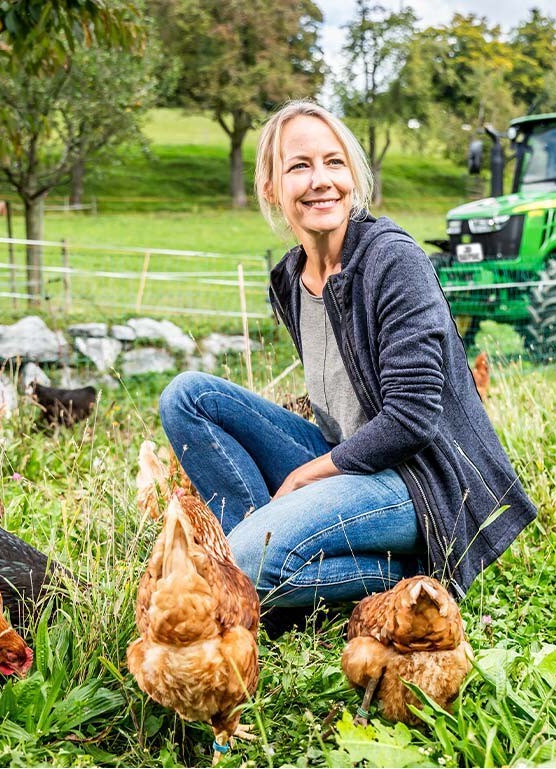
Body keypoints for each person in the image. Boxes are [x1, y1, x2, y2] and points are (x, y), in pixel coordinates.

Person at [159, 100, 536, 613]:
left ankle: (419, 571)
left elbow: (413, 419)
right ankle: (261, 553)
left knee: (246, 563)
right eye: (299, 166)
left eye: (334, 162)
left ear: (354, 177)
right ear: (271, 188)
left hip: (417, 478)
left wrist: (306, 476)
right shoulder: (290, 280)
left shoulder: (393, 261)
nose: (321, 180)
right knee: (188, 396)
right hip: (349, 457)